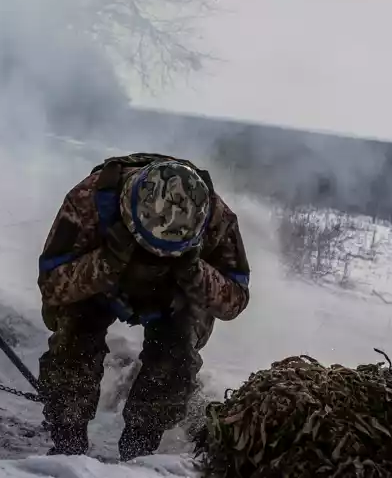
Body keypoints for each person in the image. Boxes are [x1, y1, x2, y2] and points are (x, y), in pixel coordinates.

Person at [36, 152, 251, 461]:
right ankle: (67, 443)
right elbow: (52, 284)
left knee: (177, 357)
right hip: (100, 287)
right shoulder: (89, 200)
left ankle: (140, 450)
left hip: (173, 299)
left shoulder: (215, 218)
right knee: (73, 344)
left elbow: (234, 300)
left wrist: (195, 273)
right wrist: (106, 262)